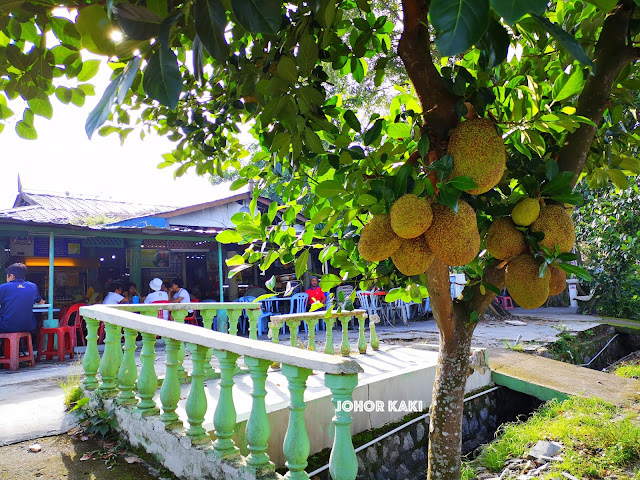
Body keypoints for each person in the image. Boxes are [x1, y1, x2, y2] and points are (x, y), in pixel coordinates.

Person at [0, 263, 44, 337]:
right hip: (28, 326)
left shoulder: (3, 287)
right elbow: (41, 302)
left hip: (7, 326)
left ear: (11, 276)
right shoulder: (32, 286)